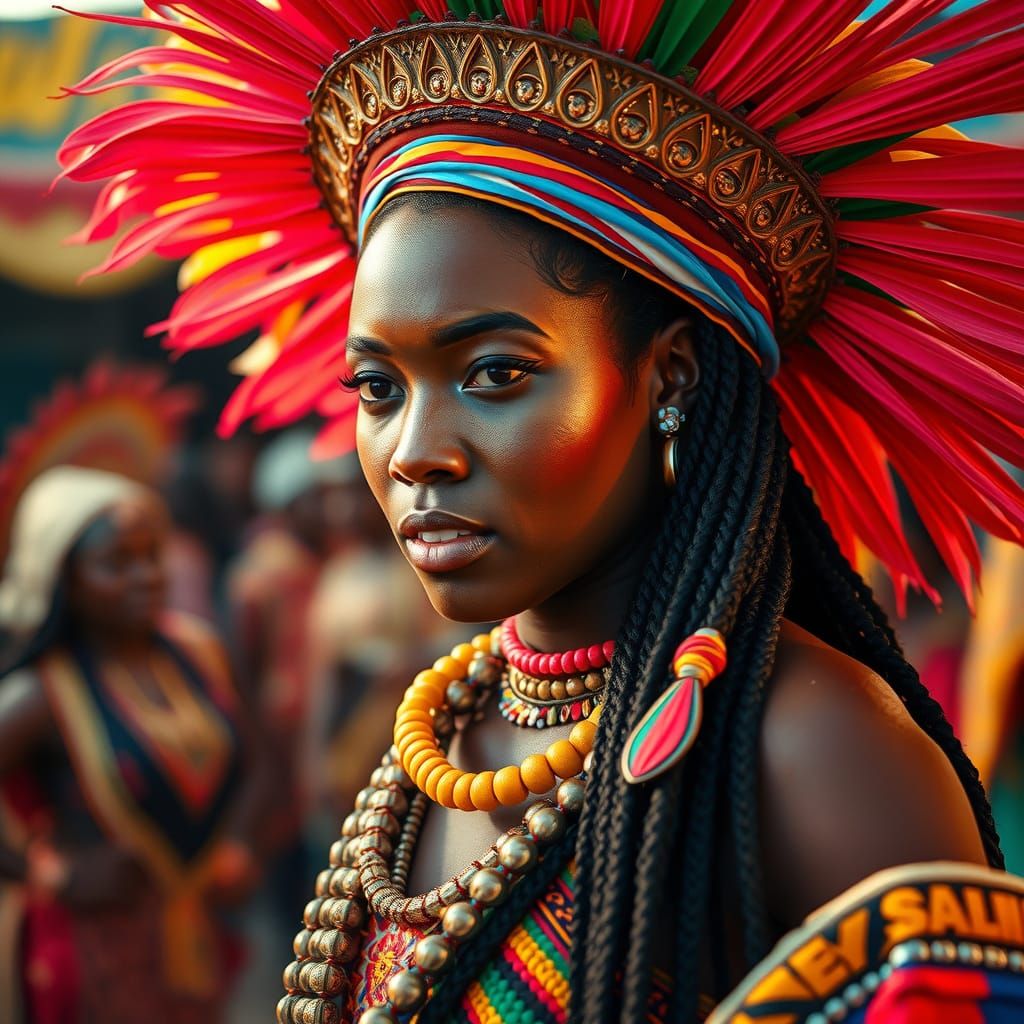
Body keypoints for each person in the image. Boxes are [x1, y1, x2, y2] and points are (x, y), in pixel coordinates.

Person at [55, 2, 1024, 1022]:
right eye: (378, 387)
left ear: (669, 377)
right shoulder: (439, 735)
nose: (415, 450)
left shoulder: (812, 751)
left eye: (493, 372)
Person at [0, 467, 260, 1024]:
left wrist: (237, 843)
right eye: (117, 563)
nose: (146, 575)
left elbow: (252, 760)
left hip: (197, 929)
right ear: (63, 578)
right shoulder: (44, 691)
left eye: (152, 554)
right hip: (97, 945)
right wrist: (48, 872)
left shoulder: (198, 650)